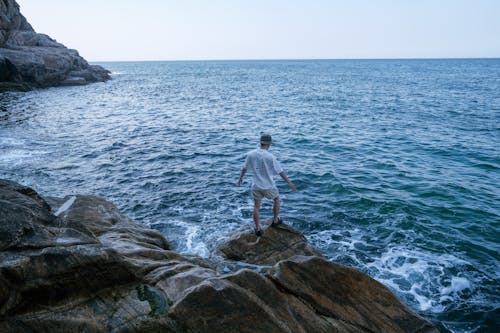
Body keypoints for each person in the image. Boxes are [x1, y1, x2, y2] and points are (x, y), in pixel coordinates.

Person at [238, 133, 296, 236]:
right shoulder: (270, 157)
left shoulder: (251, 154)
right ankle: (275, 221)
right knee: (277, 199)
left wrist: (240, 178)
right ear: (269, 144)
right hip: (268, 186)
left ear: (260, 142)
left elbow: (245, 168)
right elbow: (280, 171)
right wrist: (289, 182)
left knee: (256, 207)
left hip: (256, 186)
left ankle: (257, 229)